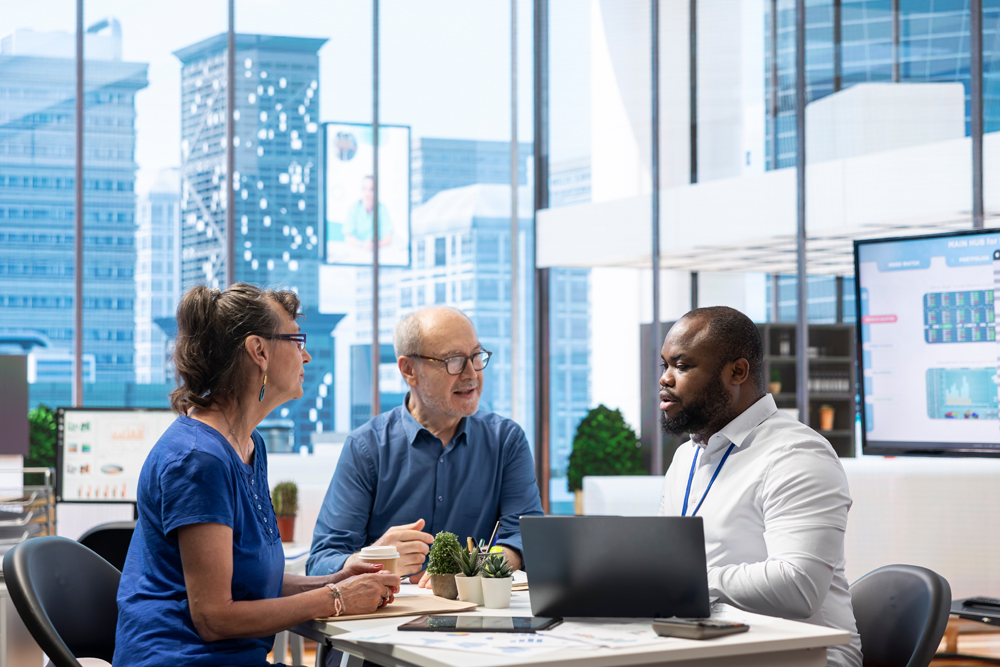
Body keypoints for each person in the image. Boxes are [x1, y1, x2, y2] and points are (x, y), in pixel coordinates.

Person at [114, 284, 400, 667]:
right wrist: (336, 598)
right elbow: (214, 617)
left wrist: (336, 580)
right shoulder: (198, 460)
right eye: (297, 341)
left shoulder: (249, 445)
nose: (307, 355)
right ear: (259, 351)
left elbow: (246, 582)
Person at [657, 306, 862, 667]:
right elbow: (668, 562)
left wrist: (687, 582)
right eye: (665, 366)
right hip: (711, 639)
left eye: (682, 366)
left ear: (737, 372)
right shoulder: (687, 456)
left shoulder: (796, 454)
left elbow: (799, 586)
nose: (666, 379)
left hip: (802, 652)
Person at [307, 306, 543, 589]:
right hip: (384, 623)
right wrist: (376, 556)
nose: (472, 374)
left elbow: (524, 539)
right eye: (454, 360)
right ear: (409, 370)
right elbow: (321, 562)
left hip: (478, 620)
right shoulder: (366, 448)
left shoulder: (506, 440)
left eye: (476, 356)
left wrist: (475, 565)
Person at [344, 175, 393, 251]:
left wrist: (376, 245)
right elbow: (348, 237)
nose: (367, 193)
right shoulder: (353, 209)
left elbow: (388, 238)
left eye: (371, 189)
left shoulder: (382, 209)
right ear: (361, 190)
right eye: (364, 189)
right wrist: (363, 245)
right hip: (357, 252)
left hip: (378, 253)